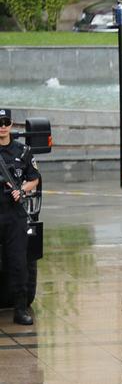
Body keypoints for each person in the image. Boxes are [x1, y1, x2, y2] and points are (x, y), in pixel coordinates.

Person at [0, 109, 40, 325]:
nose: (2, 126)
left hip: (14, 214)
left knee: (18, 262)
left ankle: (20, 309)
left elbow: (34, 179)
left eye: (6, 121)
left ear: (11, 123)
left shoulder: (22, 151)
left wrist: (22, 191)